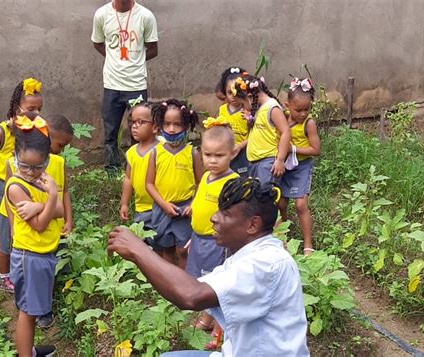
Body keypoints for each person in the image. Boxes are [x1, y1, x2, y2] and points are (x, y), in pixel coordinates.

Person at [107, 177, 310, 356]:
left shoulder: (266, 263)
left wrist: (138, 250)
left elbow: (191, 296)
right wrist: (140, 254)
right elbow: (188, 288)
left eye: (226, 214)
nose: (214, 218)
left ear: (252, 225)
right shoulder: (246, 257)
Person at [3, 113, 75, 328]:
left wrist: (41, 206)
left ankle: (37, 328)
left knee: (32, 306)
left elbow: (61, 205)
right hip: (29, 250)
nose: (31, 172)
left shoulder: (55, 165)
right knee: (27, 312)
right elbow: (40, 222)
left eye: (37, 167)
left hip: (44, 248)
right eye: (25, 166)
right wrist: (50, 200)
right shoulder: (18, 181)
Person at [0, 77, 43, 293]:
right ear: (17, 107)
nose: (35, 113)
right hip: (2, 186)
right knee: (7, 229)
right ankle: (4, 277)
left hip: (24, 185)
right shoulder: (2, 132)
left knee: (22, 225)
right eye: (30, 108)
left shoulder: (33, 131)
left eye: (39, 109)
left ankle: (22, 267)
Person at [186, 118, 238, 347]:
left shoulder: (232, 182)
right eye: (208, 155)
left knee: (216, 285)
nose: (213, 161)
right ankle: (207, 319)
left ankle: (219, 330)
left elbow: (235, 216)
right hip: (198, 239)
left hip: (216, 243)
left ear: (232, 153)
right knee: (202, 279)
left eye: (219, 156)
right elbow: (201, 201)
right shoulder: (206, 177)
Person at [91, 0, 158, 172]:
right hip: (112, 84)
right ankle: (112, 170)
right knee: (110, 131)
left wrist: (133, 61)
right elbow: (97, 43)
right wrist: (114, 59)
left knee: (140, 130)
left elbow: (153, 48)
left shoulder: (145, 16)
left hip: (136, 84)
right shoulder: (101, 15)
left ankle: (137, 168)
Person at [146, 99, 203, 268]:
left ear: (186, 126)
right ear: (160, 125)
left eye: (177, 124)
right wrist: (163, 205)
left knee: (183, 249)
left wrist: (193, 204)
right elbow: (149, 184)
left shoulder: (192, 153)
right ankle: (169, 286)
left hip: (185, 210)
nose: (172, 129)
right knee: (166, 249)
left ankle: (184, 283)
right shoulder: (155, 153)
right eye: (167, 124)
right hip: (162, 209)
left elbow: (201, 182)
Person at [279, 78, 320, 255]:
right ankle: (283, 237)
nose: (303, 114)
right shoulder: (281, 118)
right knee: (280, 202)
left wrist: (293, 149)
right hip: (285, 166)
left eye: (307, 109)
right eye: (298, 110)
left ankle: (308, 244)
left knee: (301, 205)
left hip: (302, 166)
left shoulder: (308, 123)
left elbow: (316, 149)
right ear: (287, 105)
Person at [231, 73, 290, 184]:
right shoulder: (258, 109)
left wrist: (280, 160)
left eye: (242, 104)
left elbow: (285, 131)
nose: (242, 108)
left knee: (265, 197)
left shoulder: (272, 108)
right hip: (254, 162)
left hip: (268, 162)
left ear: (249, 97)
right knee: (257, 197)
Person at [119, 100, 158, 230]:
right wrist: (124, 203)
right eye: (133, 122)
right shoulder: (131, 153)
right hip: (141, 209)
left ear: (155, 127)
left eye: (141, 122)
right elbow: (128, 179)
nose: (134, 126)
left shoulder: (161, 150)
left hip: (160, 207)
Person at [217, 67, 249, 177]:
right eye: (230, 92)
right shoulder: (222, 110)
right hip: (227, 153)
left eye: (237, 92)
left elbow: (254, 136)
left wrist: (240, 146)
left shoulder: (247, 112)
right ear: (224, 92)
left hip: (244, 153)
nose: (233, 97)